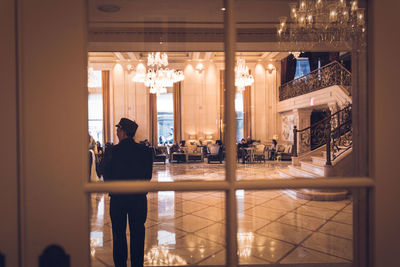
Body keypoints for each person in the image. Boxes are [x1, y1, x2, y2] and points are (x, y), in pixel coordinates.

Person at [102, 118, 153, 267]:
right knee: (138, 234)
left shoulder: (111, 151)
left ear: (123, 132)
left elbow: (107, 178)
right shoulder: (145, 151)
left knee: (118, 235)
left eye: (118, 129)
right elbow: (147, 177)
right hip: (138, 199)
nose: (116, 132)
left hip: (118, 200)